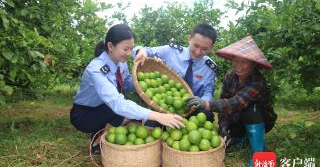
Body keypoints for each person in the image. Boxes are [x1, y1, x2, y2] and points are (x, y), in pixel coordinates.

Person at [70, 24, 184, 154]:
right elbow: (117, 103)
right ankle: (97, 140)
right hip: (85, 114)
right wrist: (158, 116)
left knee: (133, 118)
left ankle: (109, 132)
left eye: (131, 48)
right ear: (110, 46)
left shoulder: (121, 62)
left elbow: (128, 85)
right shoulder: (96, 70)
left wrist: (151, 73)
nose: (129, 53)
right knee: (126, 114)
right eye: (125, 49)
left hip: (106, 106)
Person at [185, 36, 277, 166]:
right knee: (224, 135)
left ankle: (259, 154)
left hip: (261, 120)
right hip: (238, 119)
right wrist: (223, 126)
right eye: (235, 61)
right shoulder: (230, 77)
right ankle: (242, 139)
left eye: (243, 62)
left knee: (250, 109)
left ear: (253, 64)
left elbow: (236, 102)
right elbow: (224, 102)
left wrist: (206, 104)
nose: (238, 66)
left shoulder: (257, 81)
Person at [133, 23, 218, 122]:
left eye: (204, 49)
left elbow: (208, 93)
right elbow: (144, 50)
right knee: (152, 127)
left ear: (211, 47)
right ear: (189, 38)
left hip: (191, 110)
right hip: (163, 106)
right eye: (196, 46)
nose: (198, 52)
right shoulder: (171, 52)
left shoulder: (209, 68)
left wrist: (202, 102)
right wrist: (141, 52)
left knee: (207, 115)